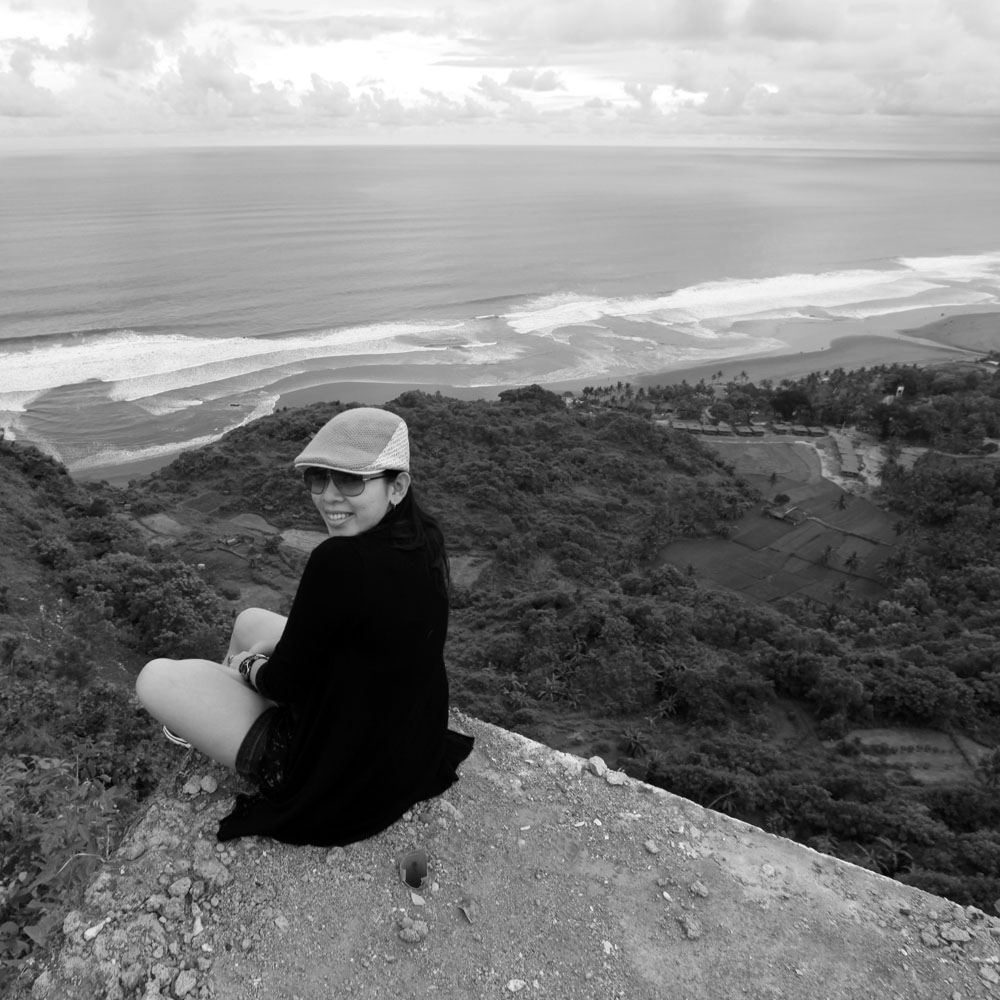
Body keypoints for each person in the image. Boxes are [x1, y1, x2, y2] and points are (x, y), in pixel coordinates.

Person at [135, 406, 473, 846]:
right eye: (318, 478)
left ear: (397, 486)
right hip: (406, 750)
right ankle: (216, 707)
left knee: (154, 678)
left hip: (338, 776)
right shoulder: (422, 537)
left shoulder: (340, 561)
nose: (328, 497)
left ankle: (209, 713)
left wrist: (247, 666)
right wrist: (267, 656)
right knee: (249, 619)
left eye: (350, 481)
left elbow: (284, 685)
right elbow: (365, 638)